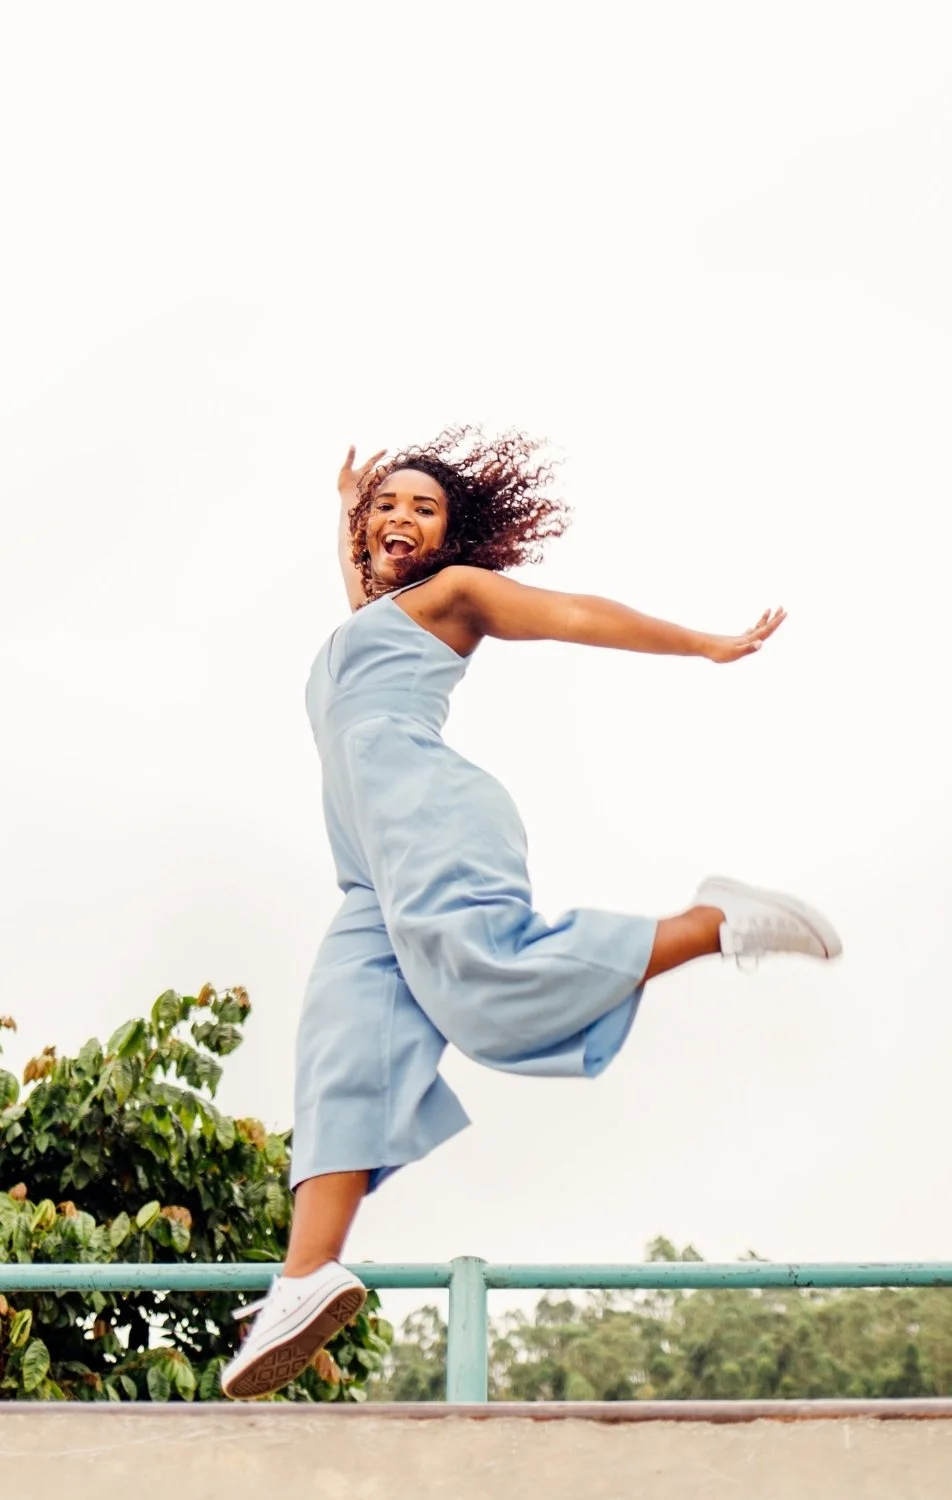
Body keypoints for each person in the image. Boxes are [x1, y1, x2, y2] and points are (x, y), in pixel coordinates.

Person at [220, 428, 841, 1399]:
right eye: (389, 506)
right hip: (369, 872)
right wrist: (346, 510)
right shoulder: (368, 619)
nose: (399, 520)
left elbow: (572, 613)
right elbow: (359, 581)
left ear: (452, 536)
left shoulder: (452, 595)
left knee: (488, 985)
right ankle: (304, 1276)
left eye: (423, 510)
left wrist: (705, 642)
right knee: (343, 1048)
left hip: (430, 818)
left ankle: (711, 923)